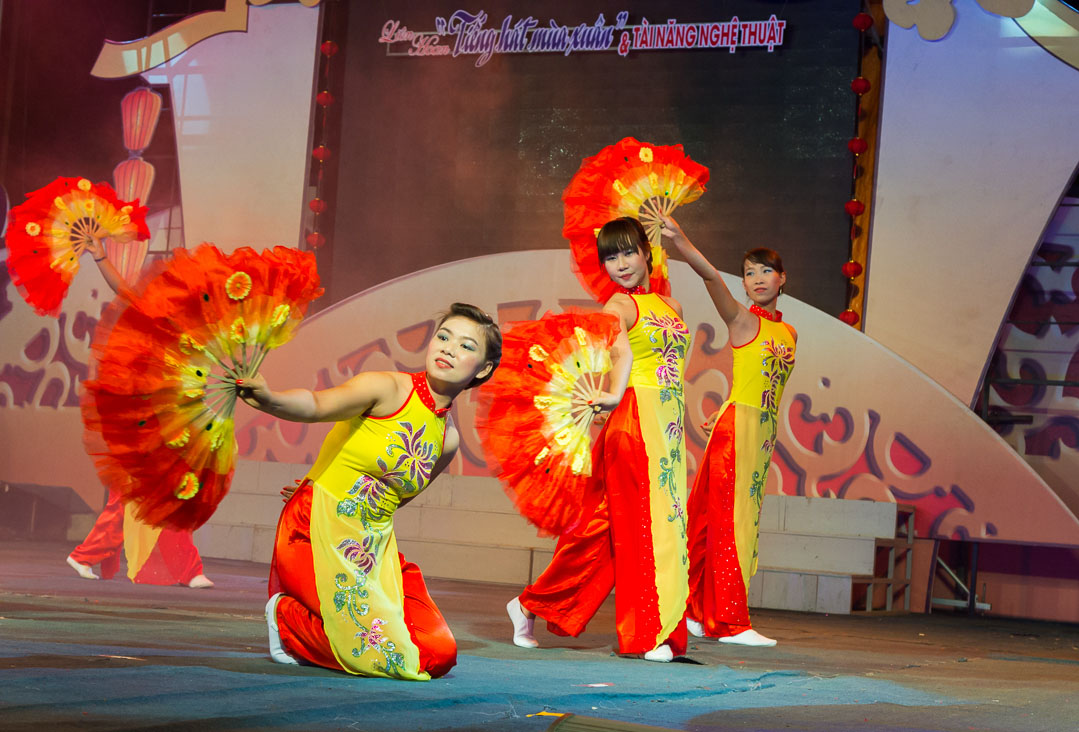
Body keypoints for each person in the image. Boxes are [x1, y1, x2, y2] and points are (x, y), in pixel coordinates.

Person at [237, 303, 501, 680]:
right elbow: (316, 404)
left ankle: (311, 628)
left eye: (465, 346)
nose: (447, 349)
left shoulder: (448, 440)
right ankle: (288, 618)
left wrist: (359, 496)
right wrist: (270, 398)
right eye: (443, 337)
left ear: (484, 368)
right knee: (388, 653)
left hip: (373, 547)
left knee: (438, 654)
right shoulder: (386, 387)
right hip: (316, 530)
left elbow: (397, 497)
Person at [506, 217, 691, 662]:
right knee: (641, 531)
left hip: (666, 428)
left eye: (627, 252)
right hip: (632, 424)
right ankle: (649, 634)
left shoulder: (673, 306)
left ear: (648, 253)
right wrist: (612, 391)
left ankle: (530, 604)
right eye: (610, 257)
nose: (621, 265)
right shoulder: (618, 307)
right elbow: (619, 349)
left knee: (607, 533)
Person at [659, 215, 796, 647]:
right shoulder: (741, 320)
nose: (756, 278)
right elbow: (710, 276)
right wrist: (681, 240)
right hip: (738, 433)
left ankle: (699, 613)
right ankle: (730, 622)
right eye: (749, 272)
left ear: (781, 278)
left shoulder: (788, 331)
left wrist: (721, 408)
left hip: (758, 433)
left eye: (764, 271)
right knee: (731, 526)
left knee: (720, 524)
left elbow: (757, 381)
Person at [66, 237, 213, 588]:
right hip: (142, 417)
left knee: (171, 491)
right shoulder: (154, 316)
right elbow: (123, 289)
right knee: (138, 492)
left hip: (171, 419)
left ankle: (187, 569)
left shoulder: (191, 328)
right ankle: (88, 554)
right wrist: (100, 256)